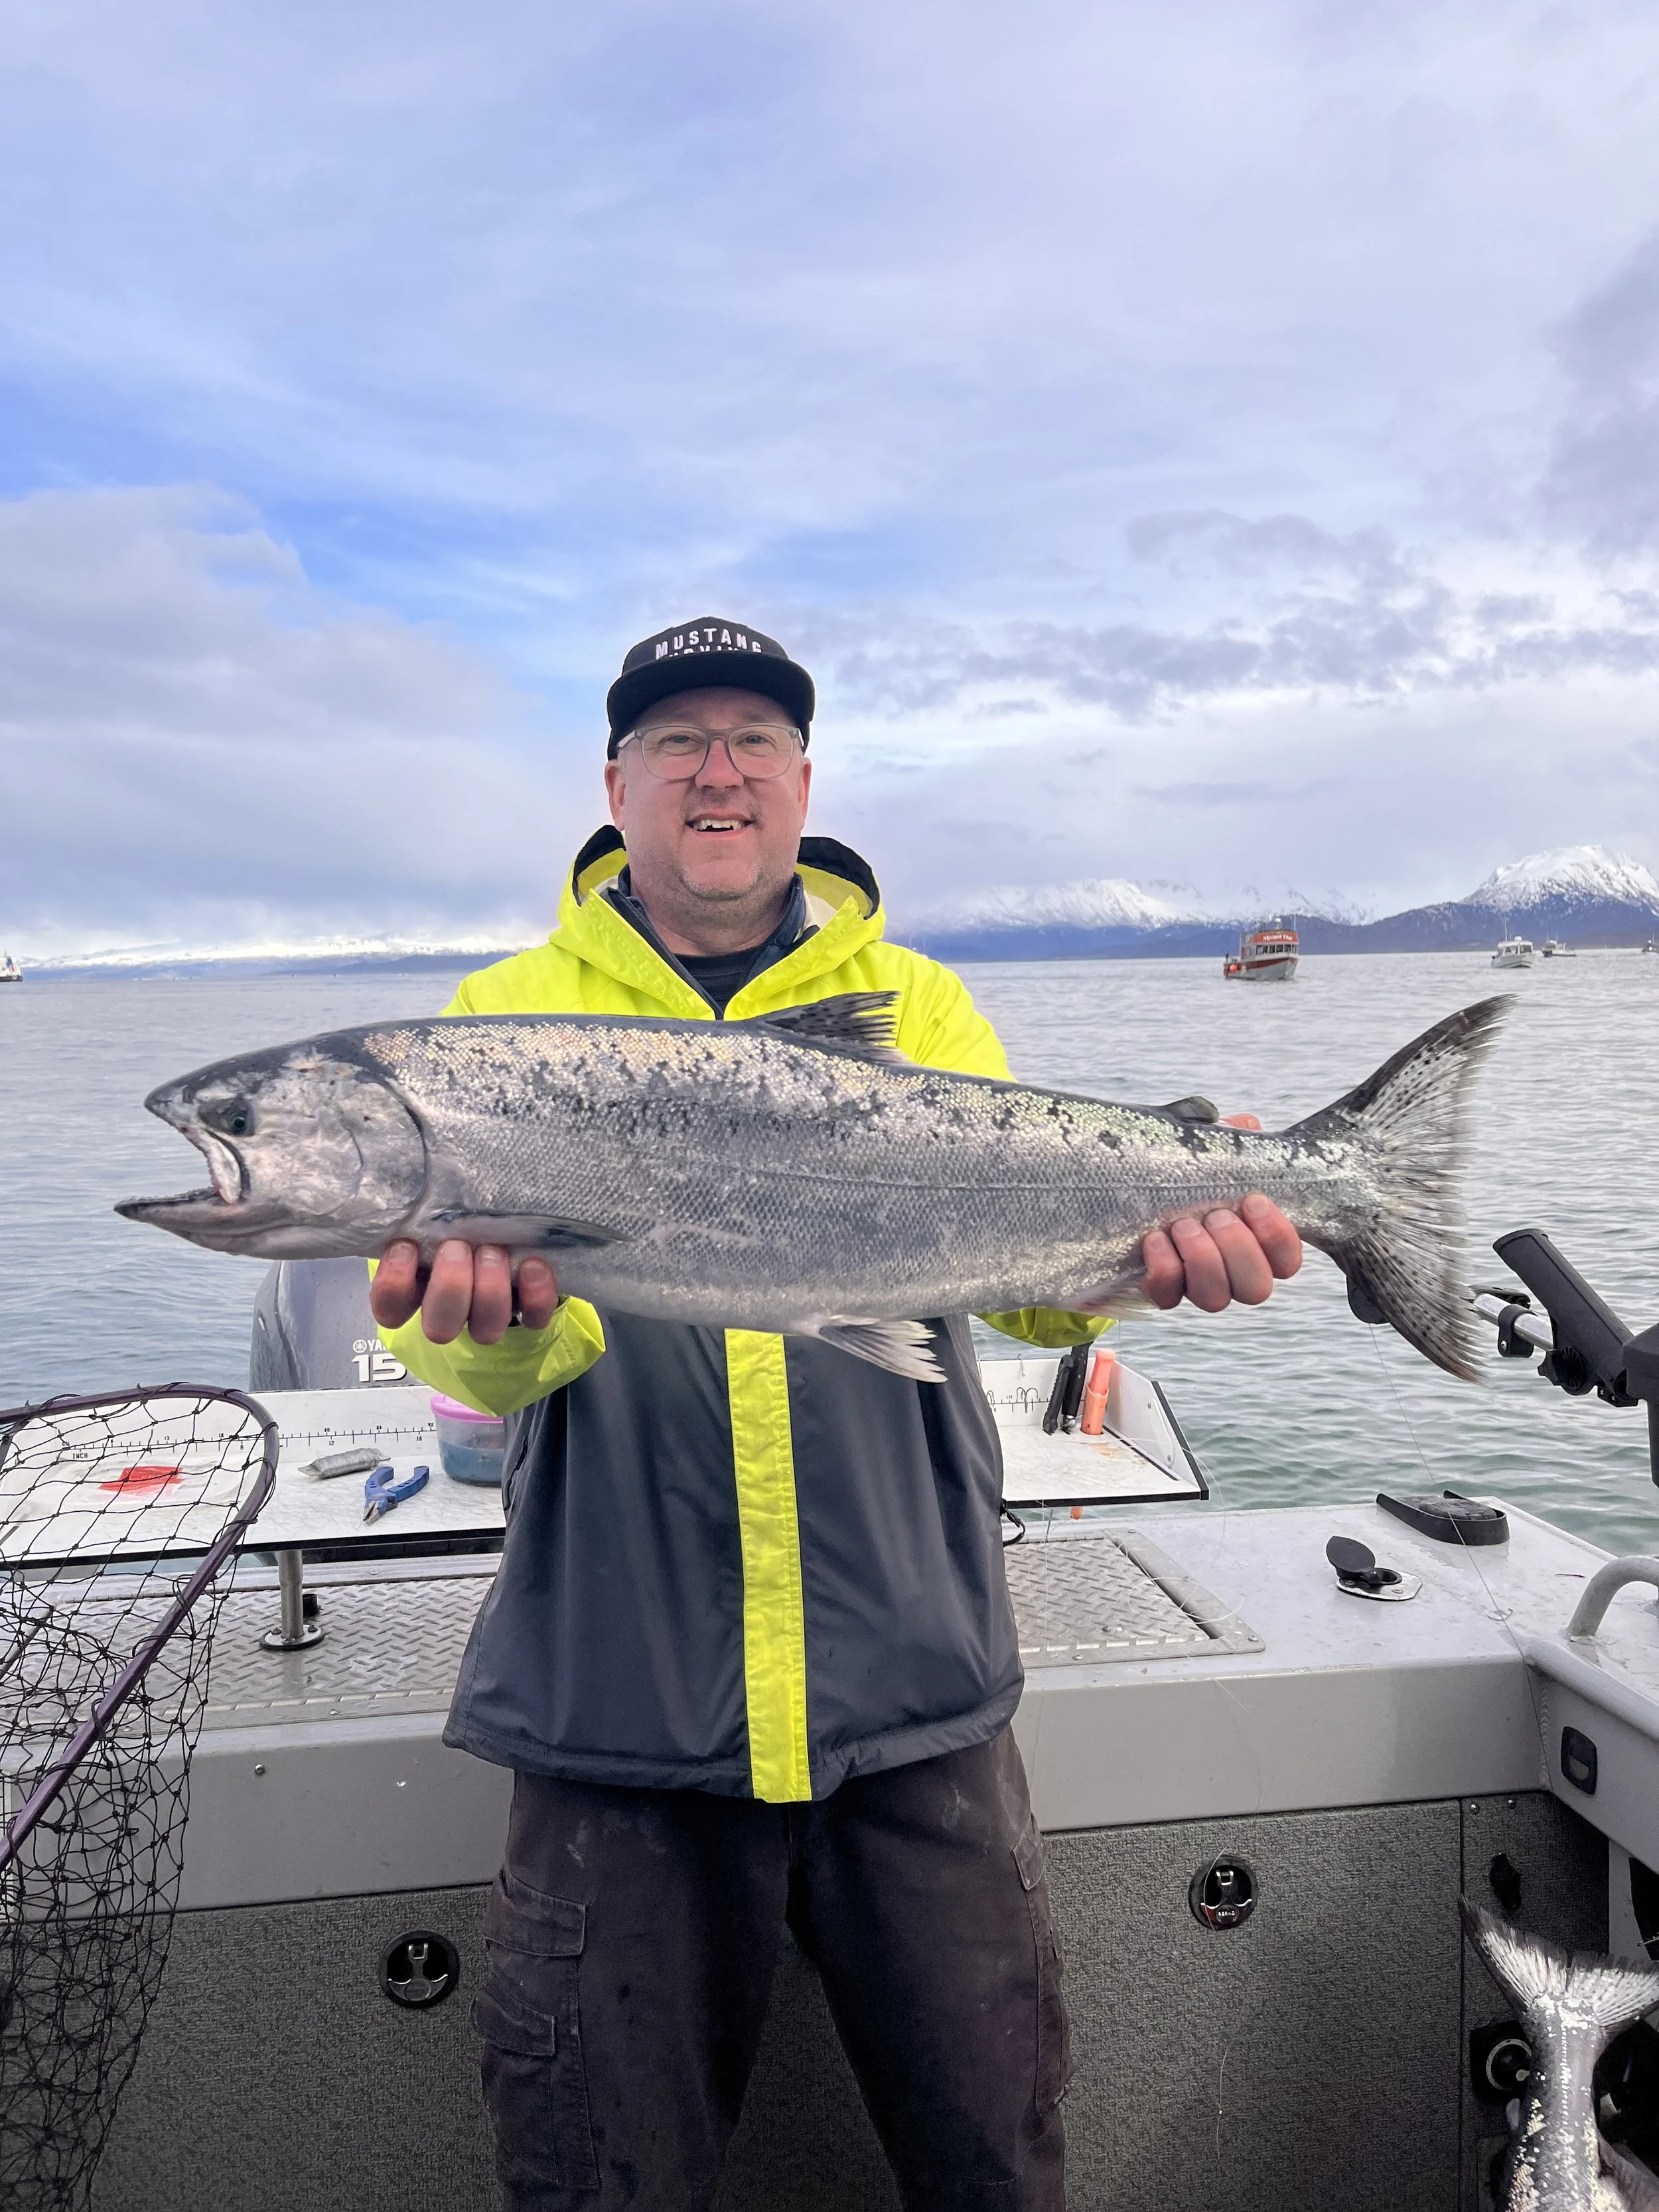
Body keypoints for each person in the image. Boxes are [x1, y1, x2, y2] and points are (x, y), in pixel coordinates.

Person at [370, 619, 1301, 2212]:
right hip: (618, 1713)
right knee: (601, 2182)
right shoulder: (504, 1019)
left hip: (914, 1697)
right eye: (676, 742)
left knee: (994, 2168)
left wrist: (1146, 1265)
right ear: (616, 783)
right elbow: (510, 1365)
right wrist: (491, 1330)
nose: (715, 770)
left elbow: (1018, 1292)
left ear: (803, 784)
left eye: (752, 740)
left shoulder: (912, 1001)